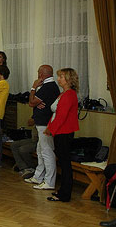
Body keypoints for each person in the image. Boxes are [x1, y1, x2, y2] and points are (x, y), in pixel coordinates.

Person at [45, 68, 80, 203]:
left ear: (68, 79)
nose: (58, 79)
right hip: (60, 131)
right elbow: (56, 114)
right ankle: (63, 191)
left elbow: (61, 116)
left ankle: (65, 194)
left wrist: (50, 129)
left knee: (65, 164)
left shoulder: (69, 95)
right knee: (63, 163)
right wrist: (50, 127)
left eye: (61, 77)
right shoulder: (64, 94)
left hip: (64, 132)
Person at [24, 65, 60, 190]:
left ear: (41, 74)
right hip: (42, 122)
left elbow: (31, 102)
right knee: (40, 151)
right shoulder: (48, 87)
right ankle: (38, 176)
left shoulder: (48, 87)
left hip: (46, 124)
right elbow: (35, 103)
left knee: (47, 152)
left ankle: (49, 181)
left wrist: (33, 87)